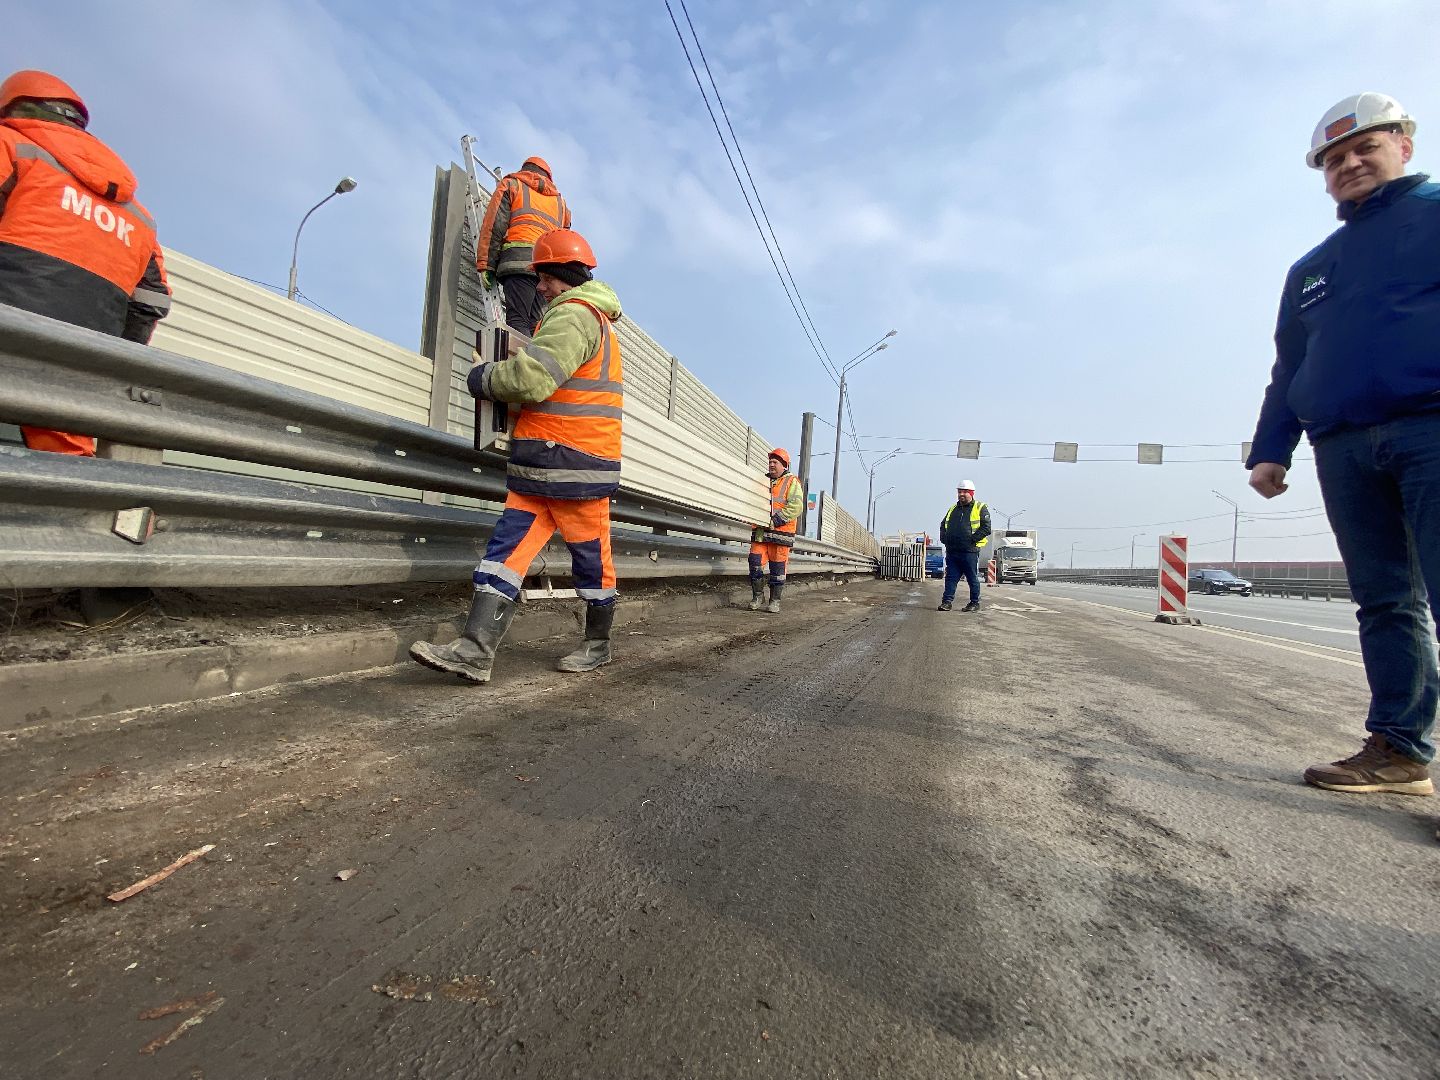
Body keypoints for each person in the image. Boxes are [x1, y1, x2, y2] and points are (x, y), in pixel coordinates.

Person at [1246, 92, 1439, 803]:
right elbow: (1290, 368)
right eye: (1334, 159)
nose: (1350, 164)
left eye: (1366, 148)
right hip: (1346, 447)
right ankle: (1399, 748)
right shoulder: (1312, 269)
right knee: (1385, 602)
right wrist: (1272, 449)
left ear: (1404, 147)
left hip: (1431, 428)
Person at [411, 228, 621, 684]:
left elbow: (532, 381)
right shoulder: (581, 317)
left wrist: (482, 377)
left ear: (563, 275)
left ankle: (596, 645)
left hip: (570, 465)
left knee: (590, 561)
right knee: (505, 556)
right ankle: (474, 650)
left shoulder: (575, 317)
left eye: (544, 278)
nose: (539, 288)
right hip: (547, 465)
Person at [0, 69, 170, 455]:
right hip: (72, 390)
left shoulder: (10, 147)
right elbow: (152, 301)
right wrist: (107, 358)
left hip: (8, 352)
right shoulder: (136, 215)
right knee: (59, 489)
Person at [475, 156, 571, 338]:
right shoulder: (561, 205)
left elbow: (495, 225)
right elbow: (564, 243)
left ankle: (519, 366)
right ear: (549, 177)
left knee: (518, 319)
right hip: (547, 271)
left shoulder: (512, 184)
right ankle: (534, 364)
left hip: (519, 262)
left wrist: (486, 264)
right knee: (535, 324)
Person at [748, 448, 803, 613]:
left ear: (784, 465)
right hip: (761, 534)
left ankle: (774, 601)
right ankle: (758, 597)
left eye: (775, 462)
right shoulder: (762, 481)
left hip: (781, 535)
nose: (771, 464)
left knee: (777, 571)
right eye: (770, 462)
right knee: (754, 563)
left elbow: (797, 506)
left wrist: (777, 520)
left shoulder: (791, 482)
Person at [938, 480, 990, 612]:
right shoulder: (953, 509)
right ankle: (946, 602)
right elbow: (943, 524)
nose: (961, 494)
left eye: (964, 492)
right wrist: (944, 539)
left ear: (971, 493)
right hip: (953, 551)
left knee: (972, 578)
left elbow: (986, 528)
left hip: (969, 552)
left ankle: (974, 603)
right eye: (959, 492)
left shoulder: (980, 507)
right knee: (951, 578)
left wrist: (972, 540)